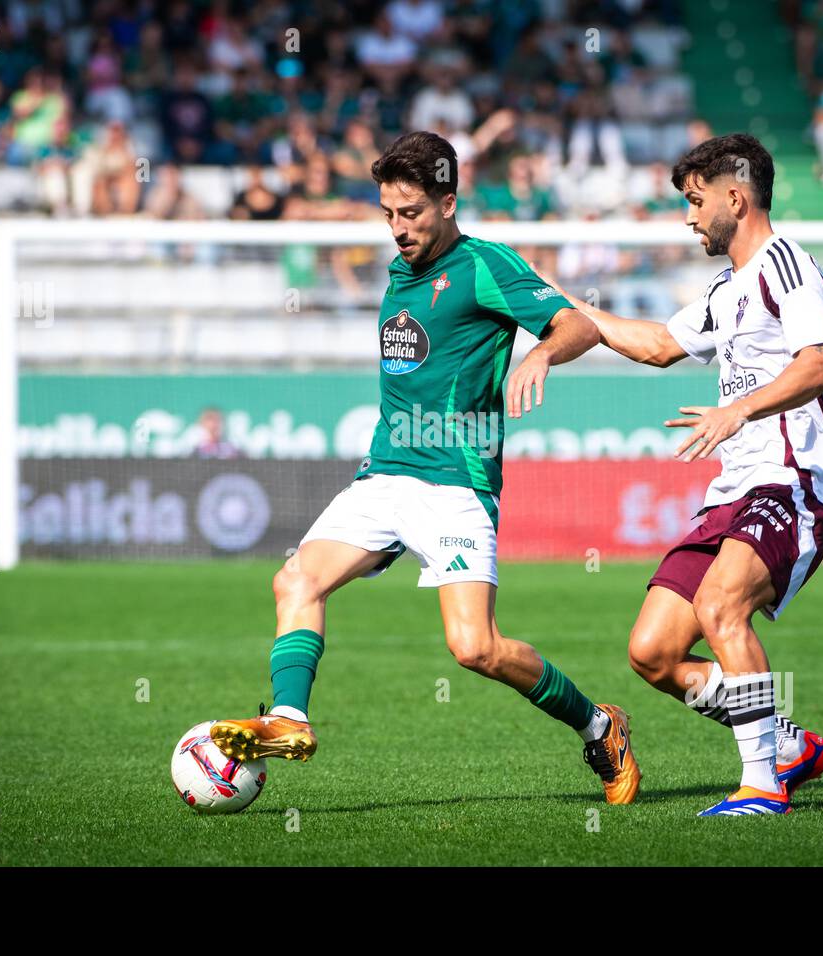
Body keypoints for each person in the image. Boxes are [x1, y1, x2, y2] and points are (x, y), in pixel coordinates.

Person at [209, 132, 642, 805]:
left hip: (456, 485)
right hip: (384, 472)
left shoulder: (484, 265)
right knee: (295, 580)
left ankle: (599, 725)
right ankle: (288, 719)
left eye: (410, 213)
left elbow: (577, 324)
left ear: (447, 201)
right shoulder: (398, 272)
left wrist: (539, 355)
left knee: (476, 649)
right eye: (387, 212)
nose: (397, 227)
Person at [551, 134, 823, 816]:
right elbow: (657, 346)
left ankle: (762, 785)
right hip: (735, 493)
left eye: (695, 201)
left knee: (720, 606)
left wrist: (737, 409)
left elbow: (820, 362)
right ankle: (784, 743)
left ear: (735, 197)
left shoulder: (786, 266)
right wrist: (568, 307)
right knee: (652, 652)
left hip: (793, 481)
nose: (689, 217)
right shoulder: (727, 287)